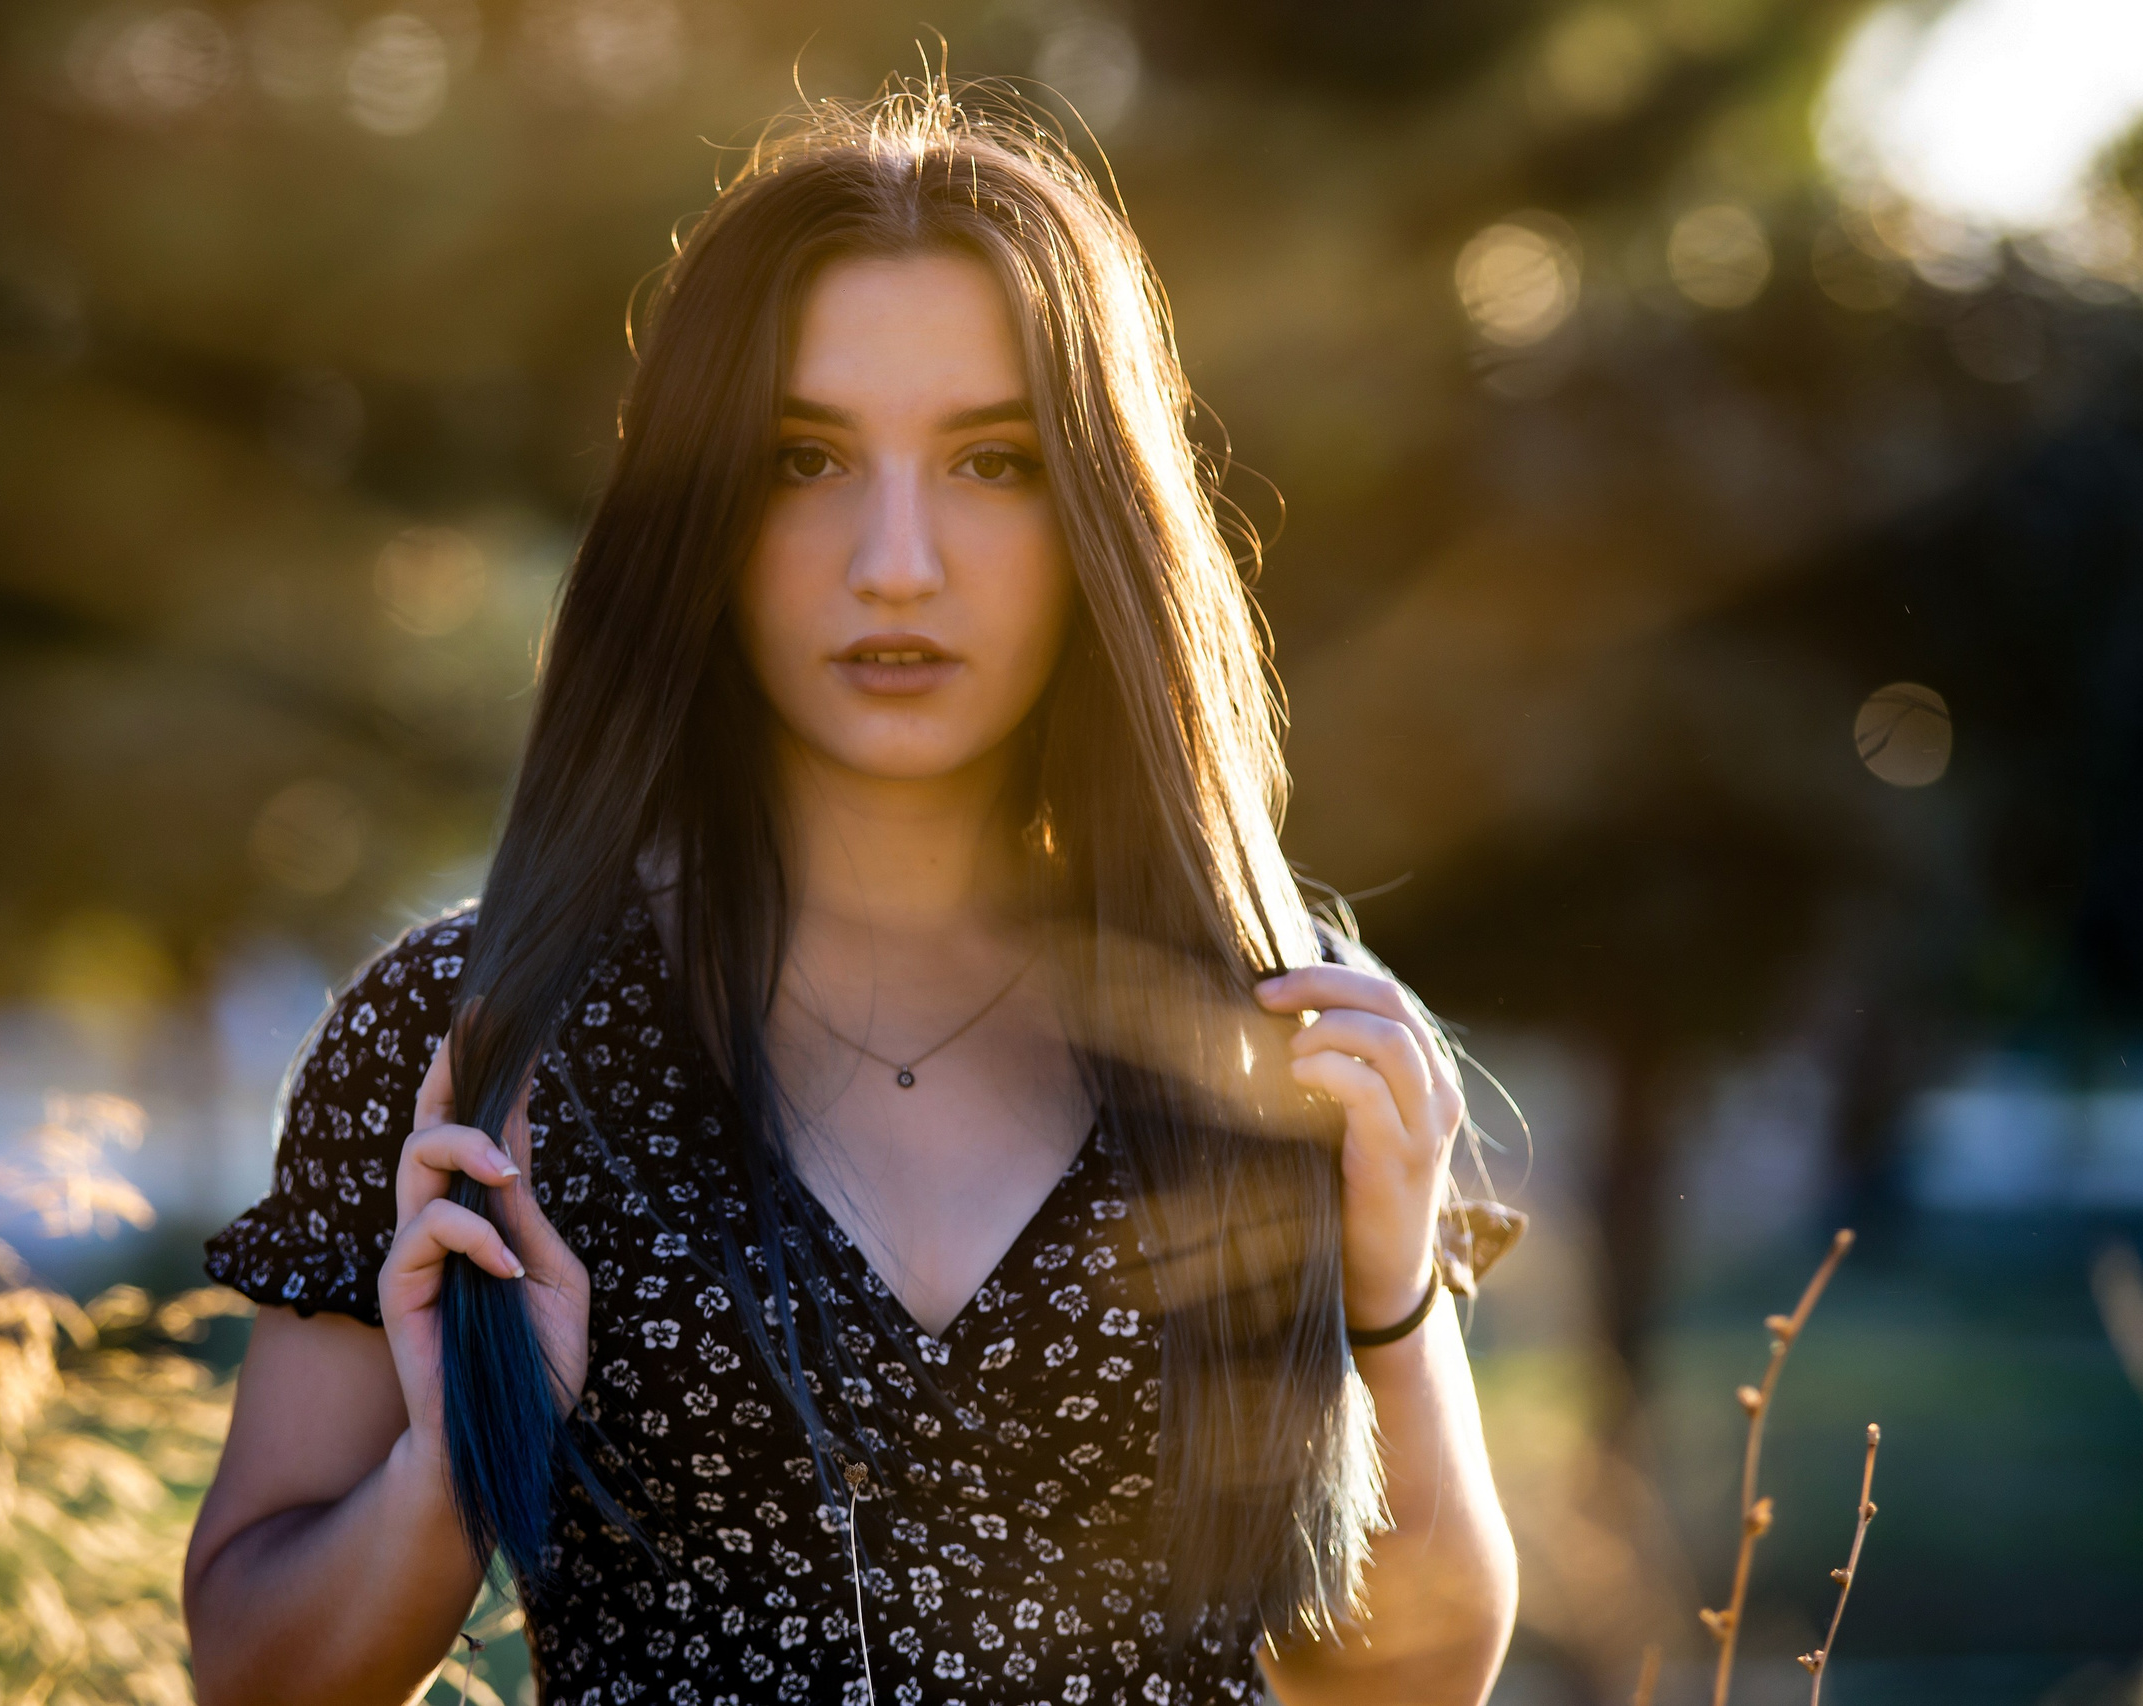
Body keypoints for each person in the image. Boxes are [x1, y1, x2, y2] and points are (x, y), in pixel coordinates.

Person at [186, 80, 1518, 1706]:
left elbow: (1406, 1683)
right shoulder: (477, 1036)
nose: (898, 560)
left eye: (994, 461)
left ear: (1100, 512)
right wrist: (461, 1458)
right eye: (805, 457)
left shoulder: (1282, 1030)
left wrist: (1388, 1303)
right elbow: (255, 1674)